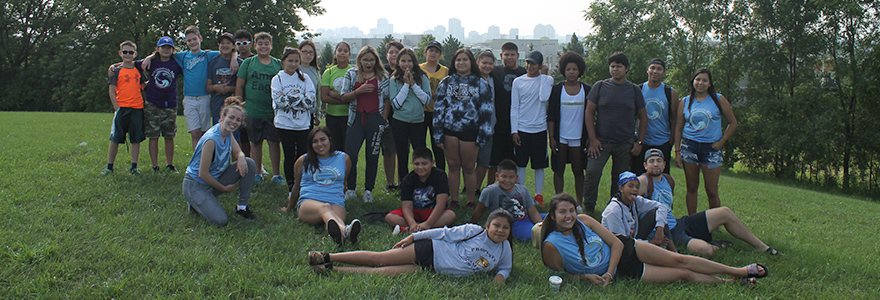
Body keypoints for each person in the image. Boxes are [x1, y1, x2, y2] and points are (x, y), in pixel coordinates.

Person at [539, 193, 767, 286]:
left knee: (680, 260)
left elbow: (616, 243)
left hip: (628, 250)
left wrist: (608, 272)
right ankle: (729, 282)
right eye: (562, 212)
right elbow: (560, 274)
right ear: (552, 215)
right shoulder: (552, 245)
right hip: (626, 270)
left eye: (571, 210)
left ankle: (738, 271)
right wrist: (586, 277)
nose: (569, 216)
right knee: (683, 274)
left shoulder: (585, 220)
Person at [308, 209, 513, 286]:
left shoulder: (504, 249)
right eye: (496, 225)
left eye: (505, 228)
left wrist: (499, 279)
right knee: (380, 259)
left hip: (433, 269)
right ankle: (327, 256)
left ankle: (330, 269)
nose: (500, 230)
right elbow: (441, 232)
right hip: (430, 249)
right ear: (487, 226)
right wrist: (413, 237)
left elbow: (505, 268)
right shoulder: (474, 231)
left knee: (381, 273)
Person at [638, 148, 780, 255]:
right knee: (704, 250)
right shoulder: (642, 182)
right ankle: (716, 245)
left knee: (724, 212)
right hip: (668, 233)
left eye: (659, 161)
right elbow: (628, 204)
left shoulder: (669, 180)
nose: (655, 164)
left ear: (664, 164)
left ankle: (763, 247)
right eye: (651, 161)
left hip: (679, 223)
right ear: (645, 165)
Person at [142, 25, 237, 150]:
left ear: (200, 39)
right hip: (189, 99)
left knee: (205, 133)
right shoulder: (182, 56)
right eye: (189, 40)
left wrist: (234, 57)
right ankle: (196, 163)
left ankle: (205, 161)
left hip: (204, 97)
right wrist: (149, 57)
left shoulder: (208, 55)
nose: (192, 42)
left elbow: (227, 50)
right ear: (186, 42)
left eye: (194, 39)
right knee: (194, 133)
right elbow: (163, 51)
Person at [583, 52, 648, 215]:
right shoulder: (600, 86)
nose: (615, 69)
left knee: (620, 179)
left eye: (618, 66)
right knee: (592, 173)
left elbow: (643, 117)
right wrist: (592, 139)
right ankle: (588, 208)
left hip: (624, 143)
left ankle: (615, 208)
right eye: (612, 66)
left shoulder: (634, 90)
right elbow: (589, 113)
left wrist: (639, 142)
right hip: (600, 142)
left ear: (626, 69)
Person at [433, 48, 494, 208]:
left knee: (468, 168)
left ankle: (470, 201)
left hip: (471, 132)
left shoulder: (481, 83)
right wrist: (438, 134)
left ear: (471, 62)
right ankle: (454, 200)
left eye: (465, 59)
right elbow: (438, 109)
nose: (461, 63)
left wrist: (483, 135)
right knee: (453, 166)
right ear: (454, 63)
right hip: (449, 132)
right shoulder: (445, 83)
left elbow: (487, 111)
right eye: (458, 60)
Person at [182, 97, 257, 227]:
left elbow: (239, 152)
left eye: (238, 120)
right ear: (222, 116)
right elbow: (202, 174)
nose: (234, 122)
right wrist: (223, 189)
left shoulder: (228, 132)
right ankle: (194, 201)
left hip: (211, 182)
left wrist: (240, 156)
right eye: (231, 117)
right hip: (195, 184)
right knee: (221, 221)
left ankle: (242, 207)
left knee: (249, 163)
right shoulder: (211, 140)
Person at [673, 68, 738, 216]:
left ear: (709, 83)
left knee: (712, 190)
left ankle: (715, 222)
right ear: (693, 82)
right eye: (698, 79)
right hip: (689, 147)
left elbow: (733, 123)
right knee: (691, 187)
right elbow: (678, 128)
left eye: (704, 80)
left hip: (711, 149)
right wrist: (677, 152)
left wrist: (722, 141)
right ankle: (692, 220)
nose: (700, 83)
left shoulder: (718, 99)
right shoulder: (685, 101)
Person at [282, 127, 358, 246]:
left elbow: (343, 184)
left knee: (330, 222)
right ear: (310, 144)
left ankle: (341, 234)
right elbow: (296, 187)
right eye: (315, 141)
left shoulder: (344, 158)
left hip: (336, 202)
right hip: (309, 202)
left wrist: (341, 203)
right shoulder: (303, 161)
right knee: (325, 208)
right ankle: (346, 231)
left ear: (330, 140)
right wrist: (289, 208)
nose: (319, 144)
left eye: (323, 139)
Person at [341, 45, 389, 203]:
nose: (368, 63)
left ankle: (369, 190)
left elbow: (387, 99)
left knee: (372, 156)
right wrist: (358, 92)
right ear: (359, 60)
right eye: (365, 59)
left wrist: (382, 118)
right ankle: (351, 188)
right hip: (356, 119)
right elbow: (343, 97)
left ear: (376, 61)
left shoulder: (382, 76)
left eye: (372, 59)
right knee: (351, 155)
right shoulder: (351, 74)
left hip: (374, 119)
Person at [235, 32, 284, 185]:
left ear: (271, 46)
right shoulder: (248, 63)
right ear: (255, 46)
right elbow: (240, 86)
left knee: (274, 143)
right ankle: (257, 173)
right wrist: (239, 108)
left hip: (272, 112)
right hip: (253, 111)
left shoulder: (278, 64)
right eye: (260, 44)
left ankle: (276, 174)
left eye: (266, 43)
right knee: (255, 143)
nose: (263, 46)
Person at [548, 51, 590, 209]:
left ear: (579, 70)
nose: (571, 72)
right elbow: (551, 115)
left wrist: (589, 137)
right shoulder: (557, 89)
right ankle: (558, 201)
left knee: (578, 170)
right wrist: (551, 137)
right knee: (559, 169)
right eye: (568, 69)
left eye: (574, 69)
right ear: (563, 71)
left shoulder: (587, 89)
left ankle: (579, 203)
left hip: (579, 137)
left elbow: (592, 115)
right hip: (561, 137)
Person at [510, 50, 553, 206]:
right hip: (522, 129)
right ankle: (521, 194)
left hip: (539, 129)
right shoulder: (518, 82)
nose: (529, 66)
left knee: (539, 165)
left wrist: (543, 76)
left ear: (540, 65)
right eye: (528, 62)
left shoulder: (547, 80)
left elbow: (543, 98)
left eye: (533, 63)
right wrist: (514, 130)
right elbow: (514, 107)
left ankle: (538, 195)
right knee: (521, 164)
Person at [271, 47, 317, 190]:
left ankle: (303, 183)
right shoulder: (277, 79)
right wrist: (300, 99)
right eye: (290, 61)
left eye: (296, 61)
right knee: (289, 155)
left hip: (303, 125)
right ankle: (291, 186)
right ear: (283, 61)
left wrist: (292, 101)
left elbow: (311, 101)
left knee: (303, 156)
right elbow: (279, 100)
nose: (293, 64)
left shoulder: (305, 78)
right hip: (284, 125)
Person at [384, 147, 456, 233]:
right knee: (389, 217)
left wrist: (428, 224)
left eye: (424, 164)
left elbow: (441, 204)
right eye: (416, 164)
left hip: (433, 212)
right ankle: (417, 228)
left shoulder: (440, 176)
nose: (420, 167)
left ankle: (418, 228)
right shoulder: (408, 180)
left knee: (450, 215)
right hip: (415, 213)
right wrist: (412, 223)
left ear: (432, 163)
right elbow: (407, 207)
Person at [138, 36, 183, 173]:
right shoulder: (152, 62)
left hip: (170, 103)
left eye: (169, 47)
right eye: (163, 47)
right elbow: (131, 65)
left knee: (169, 135)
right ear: (158, 49)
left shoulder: (176, 63)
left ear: (172, 49)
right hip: (153, 103)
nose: (166, 50)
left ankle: (169, 164)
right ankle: (155, 165)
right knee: (153, 135)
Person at [470, 159, 543, 242]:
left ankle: (547, 231)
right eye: (504, 176)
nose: (507, 180)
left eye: (511, 177)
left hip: (526, 216)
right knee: (531, 236)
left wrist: (540, 225)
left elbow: (533, 212)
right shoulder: (490, 191)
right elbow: (479, 210)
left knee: (553, 217)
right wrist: (471, 226)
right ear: (497, 176)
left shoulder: (523, 189)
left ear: (516, 178)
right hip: (514, 223)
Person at [388, 48, 431, 182]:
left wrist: (413, 84)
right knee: (402, 154)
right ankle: (404, 183)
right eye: (403, 61)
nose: (406, 64)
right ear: (398, 62)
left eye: (409, 61)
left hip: (418, 122)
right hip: (400, 121)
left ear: (414, 62)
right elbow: (396, 104)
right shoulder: (394, 80)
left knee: (420, 154)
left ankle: (421, 181)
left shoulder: (422, 77)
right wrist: (406, 85)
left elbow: (427, 100)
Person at [102, 40, 145, 176]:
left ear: (135, 54)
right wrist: (117, 108)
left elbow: (144, 85)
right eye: (125, 52)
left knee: (136, 138)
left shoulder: (138, 70)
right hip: (122, 108)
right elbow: (111, 91)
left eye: (130, 52)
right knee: (115, 138)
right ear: (120, 53)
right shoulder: (116, 70)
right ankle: (109, 166)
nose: (128, 54)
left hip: (137, 108)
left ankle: (134, 166)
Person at [631, 58, 678, 175]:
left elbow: (675, 119)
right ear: (647, 70)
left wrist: (671, 141)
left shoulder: (670, 92)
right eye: (652, 68)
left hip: (662, 142)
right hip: (641, 142)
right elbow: (630, 116)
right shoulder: (638, 90)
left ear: (664, 72)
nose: (655, 71)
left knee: (661, 179)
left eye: (659, 69)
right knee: (638, 180)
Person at [489, 43, 526, 187]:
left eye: (512, 54)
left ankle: (513, 188)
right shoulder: (495, 71)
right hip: (498, 123)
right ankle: (490, 188)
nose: (509, 57)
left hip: (517, 125)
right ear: (501, 56)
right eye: (506, 54)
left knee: (513, 161)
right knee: (493, 161)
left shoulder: (523, 72)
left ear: (517, 56)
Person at [600, 171, 670, 247]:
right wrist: (651, 243)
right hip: (619, 247)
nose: (635, 189)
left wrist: (660, 228)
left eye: (637, 187)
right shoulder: (613, 210)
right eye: (631, 186)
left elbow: (662, 207)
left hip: (633, 239)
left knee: (659, 215)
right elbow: (621, 241)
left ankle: (673, 250)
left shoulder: (635, 201)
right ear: (621, 188)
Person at [419, 41, 448, 171]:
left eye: (436, 51)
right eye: (431, 50)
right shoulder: (419, 68)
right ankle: (422, 172)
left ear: (440, 54)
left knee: (438, 146)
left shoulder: (444, 70)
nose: (433, 53)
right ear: (426, 52)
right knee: (421, 146)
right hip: (420, 112)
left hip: (437, 113)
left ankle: (441, 174)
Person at [321, 42, 353, 152]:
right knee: (333, 147)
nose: (342, 53)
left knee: (348, 148)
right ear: (335, 53)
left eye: (345, 51)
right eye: (340, 50)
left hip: (349, 116)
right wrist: (345, 99)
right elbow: (324, 97)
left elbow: (354, 97)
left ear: (349, 54)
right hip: (332, 116)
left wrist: (333, 95)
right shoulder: (328, 72)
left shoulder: (354, 72)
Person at [380, 41, 404, 191]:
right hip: (385, 117)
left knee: (402, 151)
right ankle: (390, 183)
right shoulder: (381, 71)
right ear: (386, 54)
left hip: (403, 116)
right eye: (391, 52)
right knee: (388, 151)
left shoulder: (406, 70)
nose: (393, 55)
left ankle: (402, 182)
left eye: (397, 52)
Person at [207, 32, 242, 125]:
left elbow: (243, 86)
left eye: (228, 43)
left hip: (234, 107)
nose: (225, 45)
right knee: (218, 136)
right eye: (222, 43)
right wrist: (215, 87)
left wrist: (228, 89)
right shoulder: (213, 63)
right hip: (217, 107)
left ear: (233, 46)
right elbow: (208, 87)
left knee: (234, 137)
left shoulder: (240, 63)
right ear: (219, 46)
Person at [474, 50, 497, 194]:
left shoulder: (494, 80)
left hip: (489, 127)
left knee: (484, 161)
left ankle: (476, 188)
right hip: (472, 127)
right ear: (478, 63)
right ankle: (468, 188)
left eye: (490, 63)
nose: (487, 66)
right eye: (484, 63)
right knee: (470, 162)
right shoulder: (471, 80)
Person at [233, 30, 254, 157]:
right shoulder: (233, 58)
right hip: (238, 100)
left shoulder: (255, 59)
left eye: (245, 42)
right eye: (238, 43)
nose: (242, 45)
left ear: (251, 44)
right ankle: (245, 159)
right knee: (242, 135)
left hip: (253, 101)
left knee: (255, 136)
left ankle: (258, 164)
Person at [298, 40, 322, 124]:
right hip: (294, 113)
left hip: (309, 114)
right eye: (304, 52)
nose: (308, 55)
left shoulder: (315, 71)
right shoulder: (293, 69)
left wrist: (317, 114)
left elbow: (318, 94)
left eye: (311, 52)